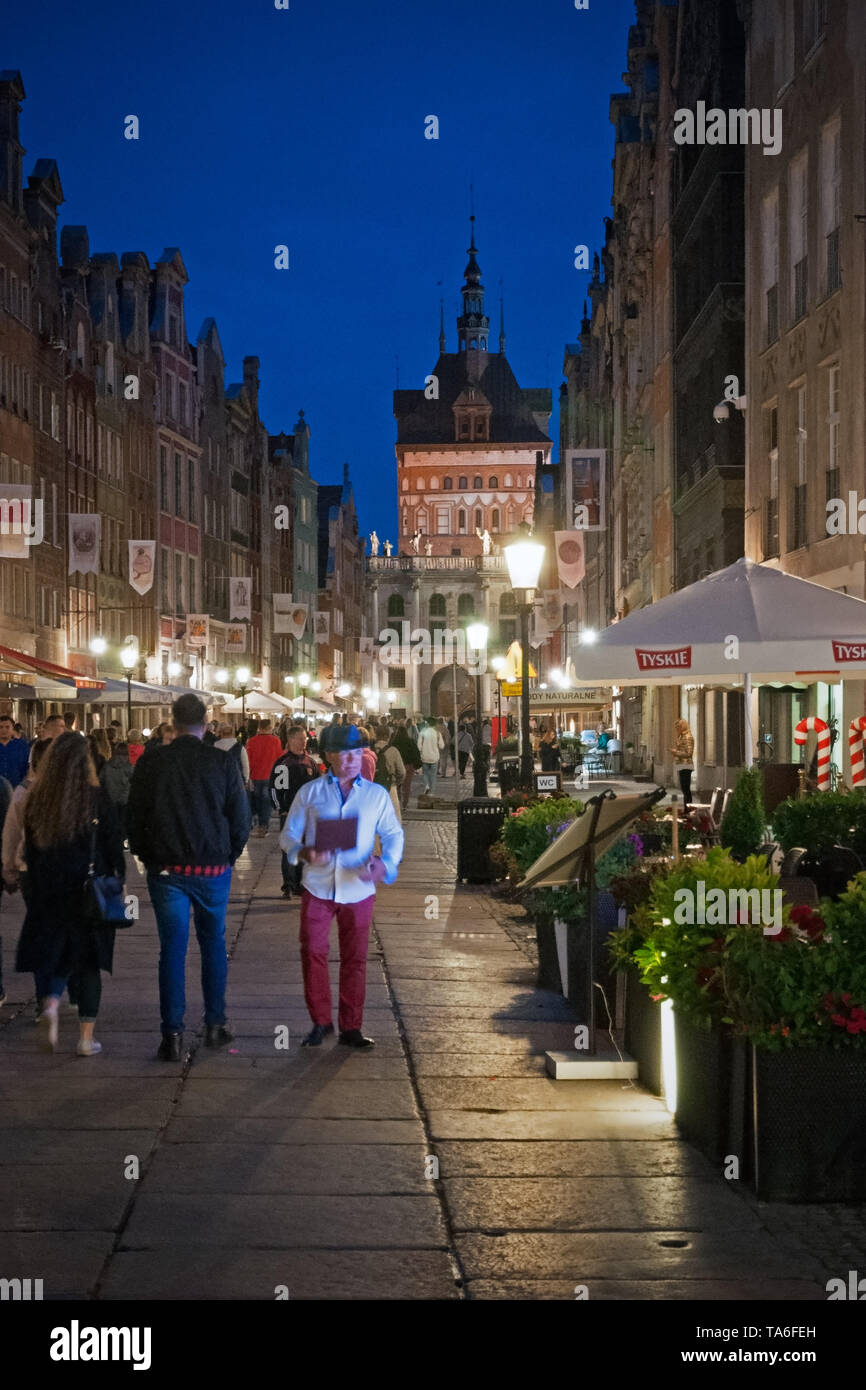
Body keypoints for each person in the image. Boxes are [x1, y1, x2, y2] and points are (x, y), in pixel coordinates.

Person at [127, 693, 251, 1061]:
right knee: (213, 943)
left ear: (172, 721)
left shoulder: (153, 761)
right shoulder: (221, 761)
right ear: (206, 721)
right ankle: (215, 1021)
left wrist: (148, 855)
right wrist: (227, 854)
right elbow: (240, 818)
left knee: (172, 949)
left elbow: (134, 817)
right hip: (212, 867)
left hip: (167, 869)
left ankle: (172, 1033)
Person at [280, 723, 404, 1048]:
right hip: (317, 887)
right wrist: (304, 851)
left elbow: (393, 833)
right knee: (313, 952)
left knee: (356, 958)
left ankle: (351, 1026)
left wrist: (386, 865)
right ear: (329, 757)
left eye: (356, 752)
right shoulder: (309, 793)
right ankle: (320, 1021)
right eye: (343, 753)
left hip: (359, 888)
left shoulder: (375, 796)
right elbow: (288, 834)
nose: (351, 760)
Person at [15, 733, 125, 1055]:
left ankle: (50, 1005)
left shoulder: (39, 799)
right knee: (89, 962)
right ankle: (86, 1039)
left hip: (50, 889)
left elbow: (31, 852)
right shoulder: (97, 797)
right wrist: (120, 876)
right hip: (89, 890)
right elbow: (113, 843)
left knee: (57, 953)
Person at [269, 726, 320, 897]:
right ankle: (288, 884)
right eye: (299, 738)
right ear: (290, 740)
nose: (303, 741)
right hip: (289, 813)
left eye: (305, 738)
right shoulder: (283, 763)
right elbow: (275, 788)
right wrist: (281, 809)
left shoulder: (310, 762)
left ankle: (300, 883)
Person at [245, 719, 283, 835]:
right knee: (266, 802)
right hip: (270, 775)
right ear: (269, 727)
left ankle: (255, 822)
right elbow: (279, 759)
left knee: (256, 800)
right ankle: (263, 825)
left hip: (255, 775)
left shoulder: (251, 741)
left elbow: (248, 760)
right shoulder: (276, 741)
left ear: (259, 728)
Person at [100, 741, 134, 841]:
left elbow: (101, 780)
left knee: (113, 820)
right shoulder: (129, 767)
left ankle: (113, 838)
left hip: (110, 797)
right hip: (125, 798)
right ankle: (123, 838)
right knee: (123, 820)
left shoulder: (107, 766)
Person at [372, 724, 405, 823]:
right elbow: (402, 772)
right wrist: (396, 782)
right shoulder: (393, 751)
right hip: (390, 786)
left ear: (376, 735)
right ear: (388, 736)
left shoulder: (370, 750)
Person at [390, 718, 421, 813]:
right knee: (407, 786)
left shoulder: (393, 742)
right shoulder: (410, 741)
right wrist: (417, 765)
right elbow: (416, 754)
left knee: (397, 785)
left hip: (396, 766)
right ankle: (405, 804)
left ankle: (398, 802)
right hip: (408, 766)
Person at [0, 713, 31, 788]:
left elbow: (28, 768)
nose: (3, 730)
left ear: (12, 729)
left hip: (17, 788)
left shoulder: (22, 746)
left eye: (7, 727)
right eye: (0, 727)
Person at [671, 718, 695, 810]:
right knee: (684, 789)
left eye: (678, 727)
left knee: (686, 789)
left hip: (686, 765)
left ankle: (688, 809)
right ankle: (686, 809)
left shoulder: (688, 737)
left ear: (683, 727)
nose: (676, 729)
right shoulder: (681, 736)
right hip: (681, 765)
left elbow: (689, 753)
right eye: (676, 728)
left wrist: (676, 752)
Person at [418, 717, 443, 795]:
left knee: (425, 773)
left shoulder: (422, 732)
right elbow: (442, 745)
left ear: (427, 723)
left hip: (425, 756)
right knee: (433, 775)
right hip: (434, 757)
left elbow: (419, 745)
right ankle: (432, 792)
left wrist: (421, 750)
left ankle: (426, 786)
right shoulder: (437, 733)